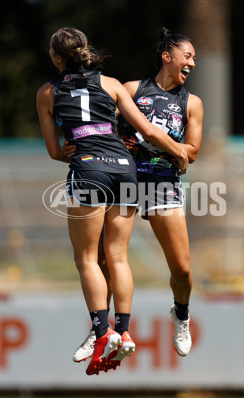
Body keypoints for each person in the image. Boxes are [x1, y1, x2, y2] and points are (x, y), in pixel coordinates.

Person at [36, 27, 188, 375]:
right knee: (117, 256)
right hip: (125, 170)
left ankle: (101, 332)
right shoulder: (112, 84)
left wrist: (68, 153)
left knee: (88, 258)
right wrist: (179, 151)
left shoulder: (47, 92)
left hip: (89, 171)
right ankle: (123, 329)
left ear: (57, 57)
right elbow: (148, 131)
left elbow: (54, 150)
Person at [71, 27, 203, 361]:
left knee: (183, 268)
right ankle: (100, 329)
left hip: (162, 183)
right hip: (123, 179)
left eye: (195, 59)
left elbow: (192, 150)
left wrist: (163, 144)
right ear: (167, 56)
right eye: (187, 56)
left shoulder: (192, 102)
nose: (192, 63)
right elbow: (104, 125)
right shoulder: (133, 89)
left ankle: (182, 314)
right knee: (106, 260)